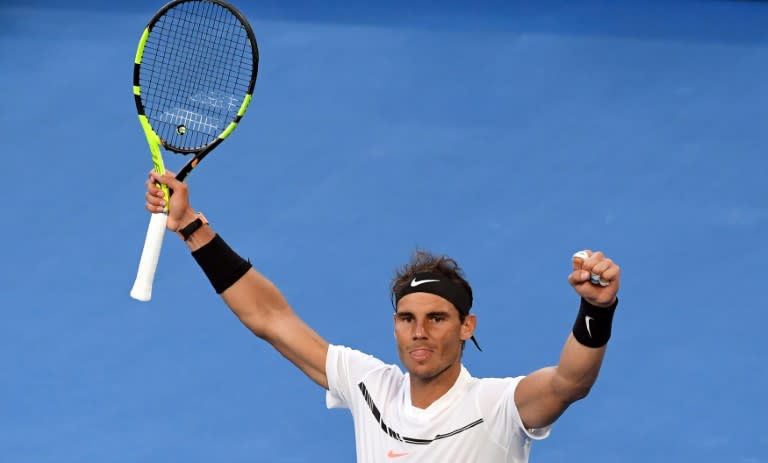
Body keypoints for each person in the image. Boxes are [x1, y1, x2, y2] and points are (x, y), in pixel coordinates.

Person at [143, 171, 621, 463]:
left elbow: (568, 383)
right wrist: (190, 227)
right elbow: (270, 317)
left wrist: (596, 310)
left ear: (466, 326)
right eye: (407, 318)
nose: (419, 332)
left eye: (437, 318)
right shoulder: (369, 386)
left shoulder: (498, 406)